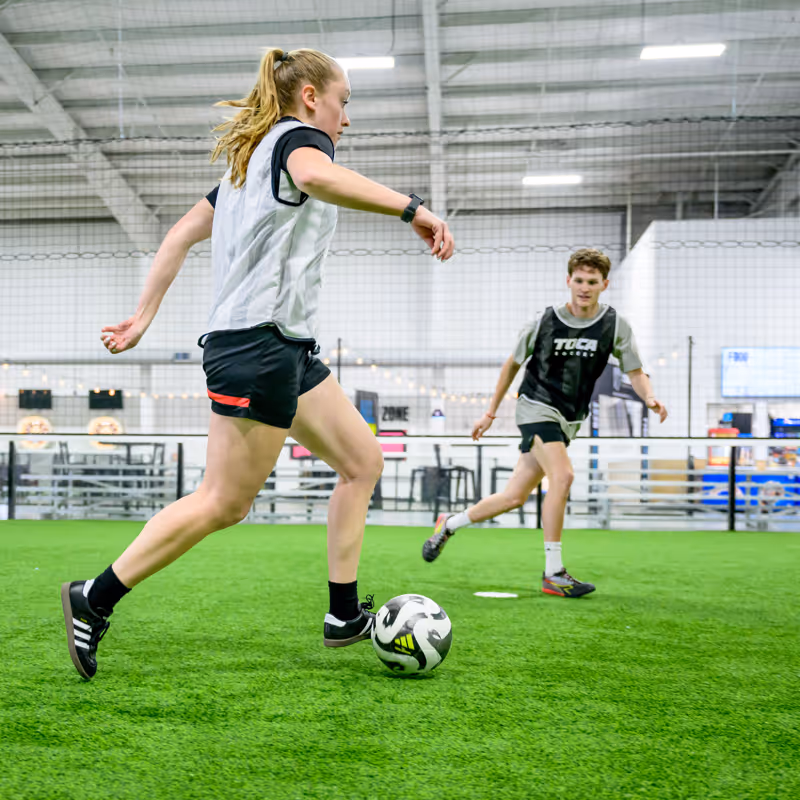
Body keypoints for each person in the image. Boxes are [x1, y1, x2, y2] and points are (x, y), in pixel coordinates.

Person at [61, 47, 454, 680]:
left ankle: (342, 613)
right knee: (224, 502)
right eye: (343, 101)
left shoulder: (248, 164)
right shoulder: (301, 143)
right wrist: (413, 207)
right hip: (256, 347)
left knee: (362, 461)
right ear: (309, 98)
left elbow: (178, 234)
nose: (345, 118)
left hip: (287, 348)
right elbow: (319, 176)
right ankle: (94, 598)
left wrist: (142, 317)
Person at [421, 248, 666, 597]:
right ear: (569, 281)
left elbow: (635, 371)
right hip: (536, 407)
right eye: (578, 280)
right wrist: (489, 413)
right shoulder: (544, 322)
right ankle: (554, 573)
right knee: (563, 476)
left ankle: (449, 524)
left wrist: (650, 397)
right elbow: (511, 365)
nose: (584, 287)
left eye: (592, 282)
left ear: (604, 284)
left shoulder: (615, 326)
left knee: (513, 497)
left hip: (569, 418)